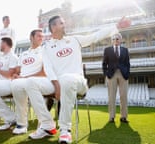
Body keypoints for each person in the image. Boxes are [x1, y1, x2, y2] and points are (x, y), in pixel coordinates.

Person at [40, 15, 131, 144]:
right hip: (57, 83)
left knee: (67, 79)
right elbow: (48, 68)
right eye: (61, 23)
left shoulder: (74, 39)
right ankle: (45, 124)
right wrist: (56, 84)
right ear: (53, 27)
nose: (64, 25)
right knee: (29, 84)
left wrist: (116, 27)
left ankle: (65, 130)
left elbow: (95, 36)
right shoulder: (46, 47)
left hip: (78, 82)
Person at [11, 29, 56, 135]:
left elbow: (44, 72)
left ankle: (45, 124)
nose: (42, 38)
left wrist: (25, 77)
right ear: (31, 37)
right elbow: (17, 70)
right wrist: (15, 75)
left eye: (42, 36)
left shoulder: (45, 50)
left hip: (40, 80)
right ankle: (21, 124)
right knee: (15, 84)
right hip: (23, 80)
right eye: (39, 36)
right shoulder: (24, 54)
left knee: (29, 82)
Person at [102, 33, 130, 123]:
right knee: (111, 97)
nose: (116, 40)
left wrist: (127, 73)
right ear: (112, 40)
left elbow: (127, 63)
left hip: (123, 74)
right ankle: (111, 117)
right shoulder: (107, 50)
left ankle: (124, 117)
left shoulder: (125, 50)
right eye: (114, 39)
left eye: (117, 38)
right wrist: (106, 74)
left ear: (120, 40)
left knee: (124, 96)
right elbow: (104, 63)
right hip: (111, 75)